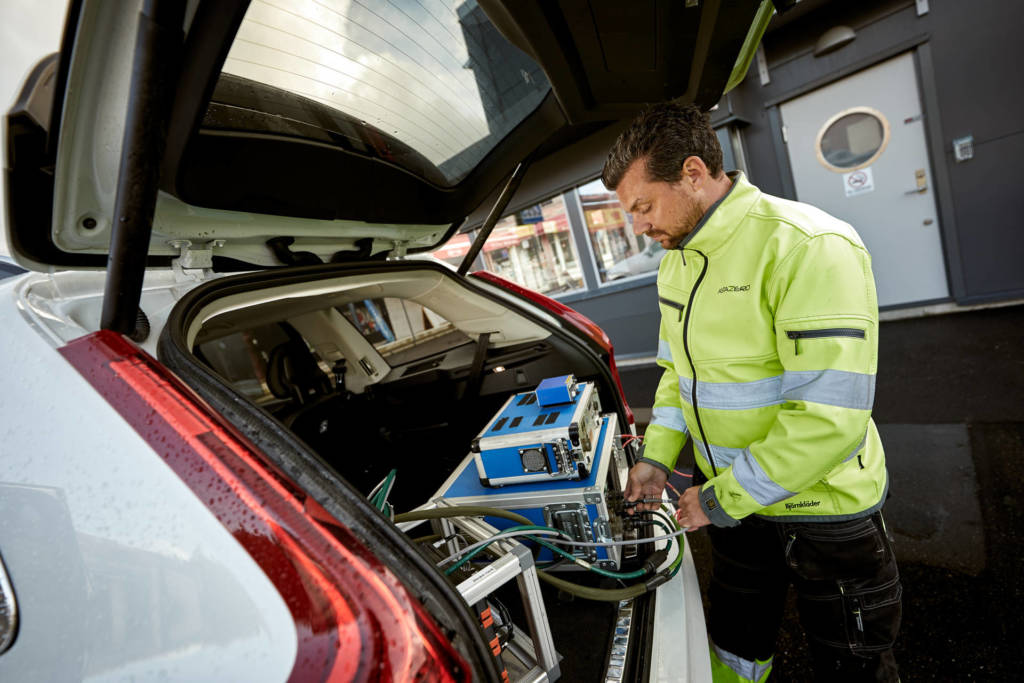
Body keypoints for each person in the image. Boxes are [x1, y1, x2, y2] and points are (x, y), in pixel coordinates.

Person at [602, 102, 900, 682]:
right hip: (737, 509)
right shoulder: (676, 262)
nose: (638, 225)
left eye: (643, 205)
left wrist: (718, 500)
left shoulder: (808, 245)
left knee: (852, 664)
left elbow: (828, 418)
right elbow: (676, 377)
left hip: (825, 513)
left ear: (693, 173)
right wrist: (657, 458)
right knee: (735, 650)